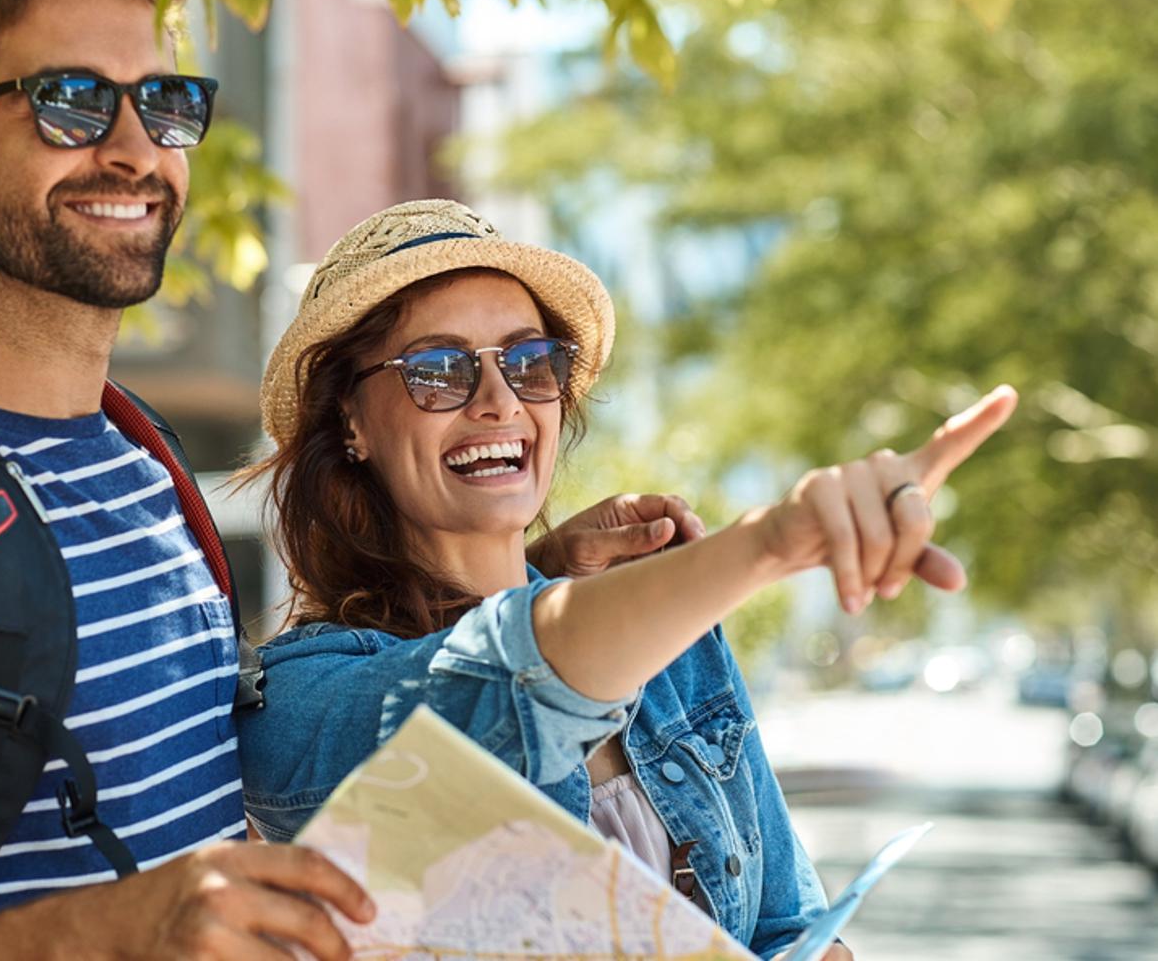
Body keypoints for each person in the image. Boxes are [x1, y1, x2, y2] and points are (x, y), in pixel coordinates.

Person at [0, 0, 683, 960]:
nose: (134, 151)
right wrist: (119, 930)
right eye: (70, 102)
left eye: (163, 103)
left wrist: (534, 573)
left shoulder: (136, 465)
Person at [237, 199, 1017, 960]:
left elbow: (789, 921)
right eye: (437, 371)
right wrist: (772, 542)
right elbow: (506, 688)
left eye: (529, 362)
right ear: (350, 423)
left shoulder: (671, 639)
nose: (498, 400)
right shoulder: (301, 698)